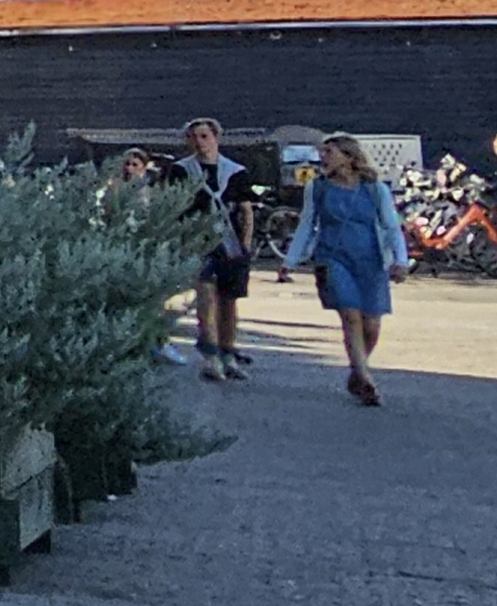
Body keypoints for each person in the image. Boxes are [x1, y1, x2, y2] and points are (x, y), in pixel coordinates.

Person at [284, 135, 410, 406]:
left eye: (329, 152)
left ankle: (357, 369)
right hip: (333, 258)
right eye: (322, 152)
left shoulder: (374, 189)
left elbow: (391, 227)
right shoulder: (318, 188)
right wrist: (290, 260)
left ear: (349, 156)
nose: (323, 157)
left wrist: (401, 260)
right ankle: (365, 378)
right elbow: (307, 224)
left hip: (371, 260)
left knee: (372, 324)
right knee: (350, 315)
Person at [174, 119, 254, 382]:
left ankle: (228, 351)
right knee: (206, 296)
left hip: (229, 243)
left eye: (204, 136)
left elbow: (246, 209)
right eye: (193, 137)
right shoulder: (181, 170)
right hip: (198, 241)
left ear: (216, 138)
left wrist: (245, 244)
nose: (199, 142)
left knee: (229, 300)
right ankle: (210, 355)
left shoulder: (235, 172)